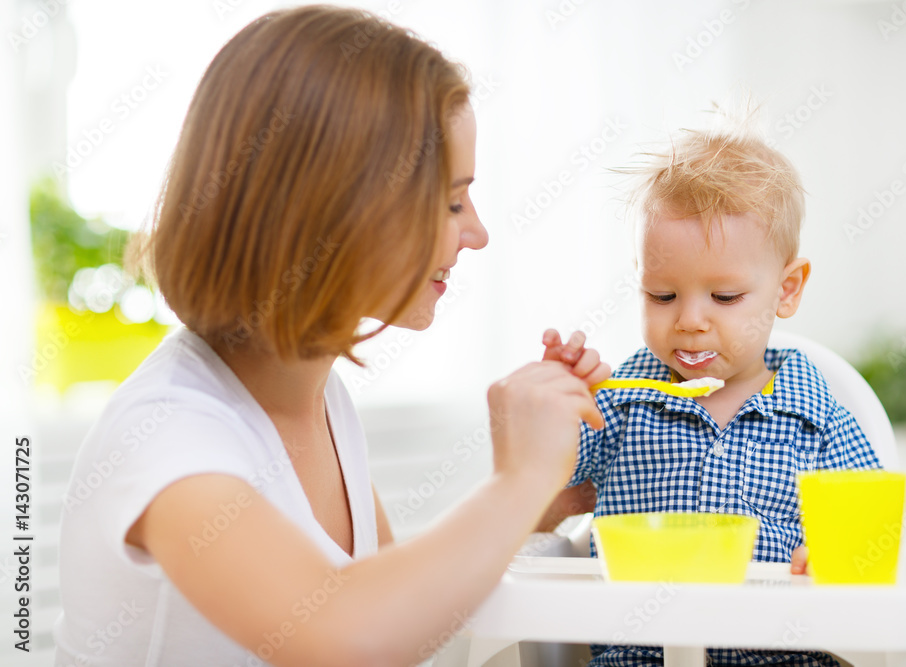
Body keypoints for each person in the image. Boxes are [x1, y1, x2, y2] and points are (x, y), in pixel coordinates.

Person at [53, 6, 611, 666]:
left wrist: (534, 505)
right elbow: (344, 635)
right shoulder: (170, 436)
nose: (477, 231)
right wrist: (515, 482)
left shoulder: (320, 396)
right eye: (453, 200)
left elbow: (401, 628)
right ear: (344, 206)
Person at [541, 122, 882, 666]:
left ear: (786, 290)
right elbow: (536, 480)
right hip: (638, 657)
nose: (690, 321)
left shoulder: (818, 420)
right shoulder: (617, 403)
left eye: (724, 296)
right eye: (662, 294)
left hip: (780, 656)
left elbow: (872, 538)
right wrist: (556, 402)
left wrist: (837, 559)